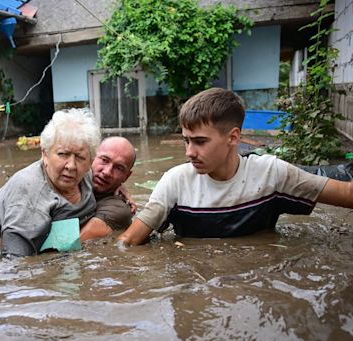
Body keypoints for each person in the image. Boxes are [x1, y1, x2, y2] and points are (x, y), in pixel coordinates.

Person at [117, 87, 353, 246]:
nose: (189, 152)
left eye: (200, 141)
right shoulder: (175, 181)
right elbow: (128, 242)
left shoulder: (272, 173)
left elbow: (346, 194)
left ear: (233, 137)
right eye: (186, 140)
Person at [0, 108, 101, 257]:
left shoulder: (88, 174)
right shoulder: (29, 191)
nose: (71, 166)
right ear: (45, 154)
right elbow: (15, 262)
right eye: (62, 154)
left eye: (80, 157)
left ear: (91, 161)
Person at [80, 136, 136, 242]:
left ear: (126, 176)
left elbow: (74, 243)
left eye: (119, 168)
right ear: (91, 157)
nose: (106, 172)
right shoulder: (74, 173)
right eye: (104, 160)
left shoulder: (119, 210)